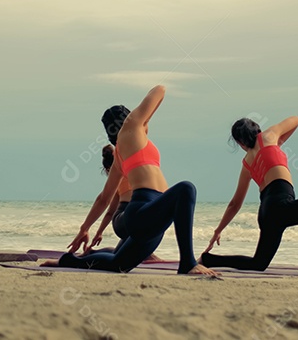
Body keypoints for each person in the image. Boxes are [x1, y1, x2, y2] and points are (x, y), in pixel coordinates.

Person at [50, 85, 218, 275]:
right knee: (186, 189)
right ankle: (188, 263)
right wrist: (142, 117)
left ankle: (68, 261)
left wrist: (84, 229)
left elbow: (104, 198)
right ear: (128, 116)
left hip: (150, 218)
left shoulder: (120, 154)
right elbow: (160, 90)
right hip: (142, 211)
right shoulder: (131, 125)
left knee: (118, 264)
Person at [201, 116, 298, 276]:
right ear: (257, 130)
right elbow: (296, 119)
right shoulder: (268, 136)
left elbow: (235, 203)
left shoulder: (246, 163)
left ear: (240, 142)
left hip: (267, 212)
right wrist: (279, 139)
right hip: (282, 204)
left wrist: (218, 230)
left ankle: (209, 259)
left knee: (258, 264)